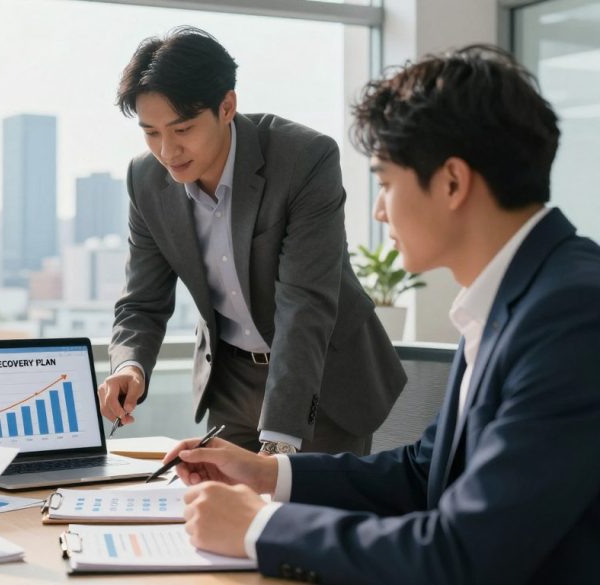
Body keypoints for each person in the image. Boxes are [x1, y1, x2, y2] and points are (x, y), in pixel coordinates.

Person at [169, 45, 600, 584]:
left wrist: (260, 528)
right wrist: (267, 473)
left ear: (451, 182)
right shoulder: (508, 300)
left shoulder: (572, 315)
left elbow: (465, 554)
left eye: (386, 183)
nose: (378, 210)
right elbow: (424, 475)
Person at [99, 26, 405, 455]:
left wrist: (279, 441)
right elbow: (142, 301)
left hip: (322, 381)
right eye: (151, 133)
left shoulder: (304, 159)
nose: (167, 151)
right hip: (230, 385)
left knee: (309, 519)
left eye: (182, 129)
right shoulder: (146, 180)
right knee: (222, 518)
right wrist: (130, 366)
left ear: (227, 107)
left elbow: (305, 304)